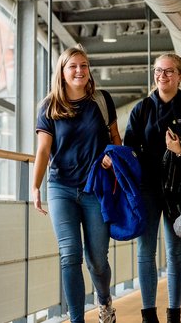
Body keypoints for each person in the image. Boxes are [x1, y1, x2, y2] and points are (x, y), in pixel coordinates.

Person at [32, 45, 120, 323]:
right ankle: (77, 319)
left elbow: (116, 139)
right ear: (62, 71)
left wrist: (111, 158)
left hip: (96, 189)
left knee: (97, 259)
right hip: (61, 189)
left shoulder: (102, 101)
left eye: (83, 65)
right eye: (73, 66)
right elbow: (44, 150)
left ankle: (104, 300)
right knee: (69, 254)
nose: (79, 71)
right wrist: (35, 186)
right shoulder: (49, 106)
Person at [124, 54, 181, 323]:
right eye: (158, 71)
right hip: (146, 187)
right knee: (145, 251)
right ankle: (148, 314)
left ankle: (174, 313)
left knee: (175, 252)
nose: (162, 76)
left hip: (178, 189)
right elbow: (129, 150)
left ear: (180, 76)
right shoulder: (142, 109)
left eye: (169, 72)